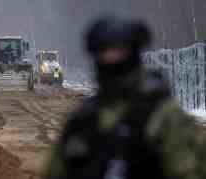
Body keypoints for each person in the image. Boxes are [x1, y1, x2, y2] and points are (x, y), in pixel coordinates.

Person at [46, 16, 206, 179]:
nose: (111, 59)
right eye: (105, 52)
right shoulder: (83, 118)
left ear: (133, 52)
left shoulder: (163, 115)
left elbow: (187, 170)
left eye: (118, 52)